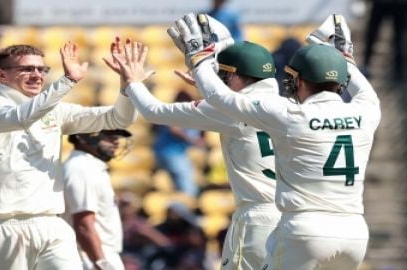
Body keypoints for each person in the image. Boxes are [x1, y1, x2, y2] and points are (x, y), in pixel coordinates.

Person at [169, 13, 380, 269]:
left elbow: (222, 99)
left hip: (305, 228)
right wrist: (344, 58)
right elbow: (358, 83)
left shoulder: (291, 115)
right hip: (355, 232)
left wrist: (200, 60)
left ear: (300, 80)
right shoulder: (367, 110)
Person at [105, 37, 281, 269]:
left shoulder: (229, 111)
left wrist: (133, 82)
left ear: (238, 76)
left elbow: (153, 111)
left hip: (256, 219)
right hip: (289, 217)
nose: (223, 83)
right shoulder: (290, 107)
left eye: (225, 76)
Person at [0, 42, 137, 270]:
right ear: (1, 74)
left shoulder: (56, 110)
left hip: (51, 224)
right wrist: (67, 81)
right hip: (1, 225)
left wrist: (129, 85)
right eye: (26, 69)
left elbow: (118, 119)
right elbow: (19, 118)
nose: (36, 75)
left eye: (41, 69)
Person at [62, 129, 133, 270]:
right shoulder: (81, 168)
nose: (116, 141)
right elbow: (83, 224)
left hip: (95, 254)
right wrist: (101, 263)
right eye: (109, 136)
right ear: (83, 137)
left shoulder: (90, 166)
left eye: (117, 137)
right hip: (88, 257)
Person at [152, 89, 206, 197]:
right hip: (170, 152)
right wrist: (193, 140)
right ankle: (188, 201)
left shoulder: (175, 111)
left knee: (177, 180)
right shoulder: (175, 111)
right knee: (186, 178)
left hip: (168, 151)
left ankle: (182, 201)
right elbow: (175, 130)